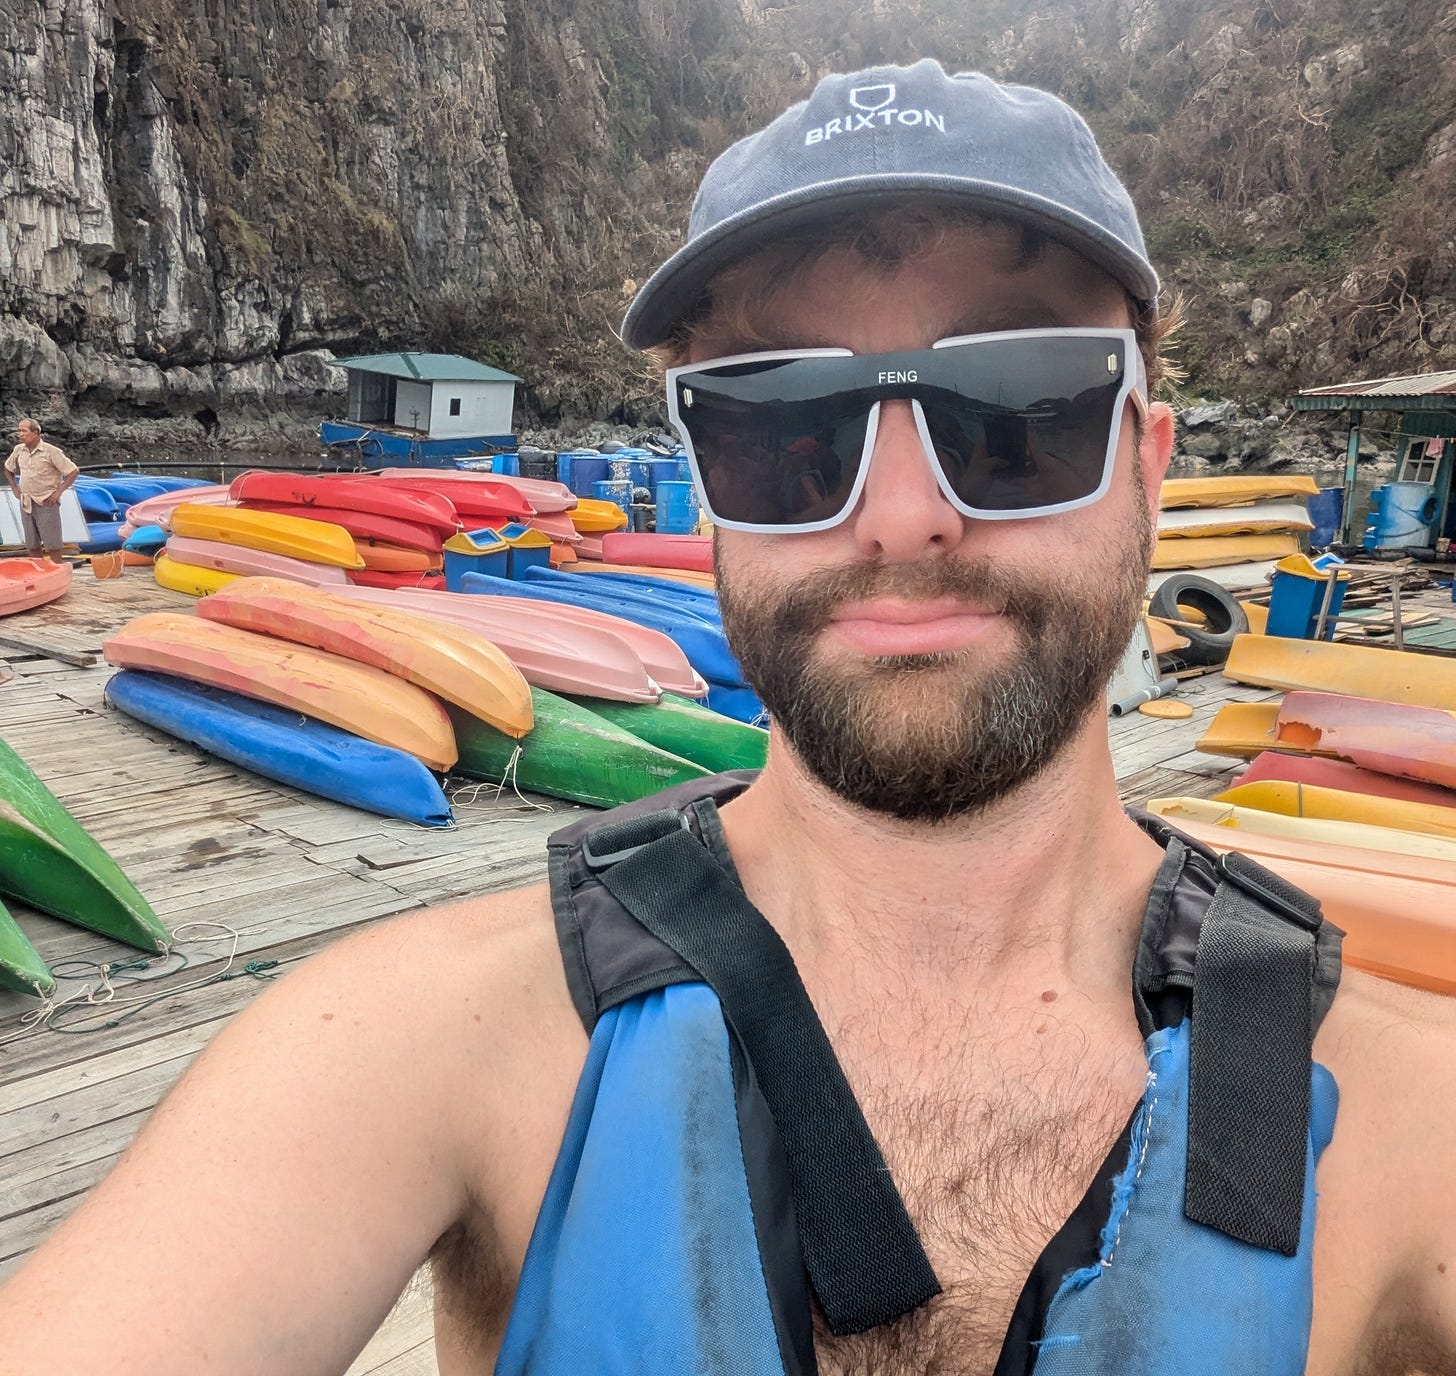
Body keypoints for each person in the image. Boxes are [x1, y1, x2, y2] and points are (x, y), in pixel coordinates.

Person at [2, 58, 1454, 1376]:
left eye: (1020, 409)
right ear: (704, 484)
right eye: (786, 427)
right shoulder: (428, 1046)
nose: (902, 516)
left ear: (1146, 462)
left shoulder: (1404, 1123)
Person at [4, 418, 79, 561]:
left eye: (24, 431)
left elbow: (73, 471)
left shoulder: (51, 451)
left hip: (46, 500)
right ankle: (38, 569)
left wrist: (59, 492)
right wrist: (14, 487)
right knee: (32, 543)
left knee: (53, 543)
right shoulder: (19, 450)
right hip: (26, 501)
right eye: (19, 431)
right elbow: (8, 468)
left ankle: (56, 569)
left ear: (35, 432)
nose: (20, 434)